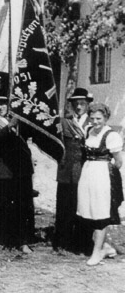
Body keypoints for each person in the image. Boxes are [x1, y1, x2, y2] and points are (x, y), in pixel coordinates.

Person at [0, 91, 35, 254]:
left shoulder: (21, 120)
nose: (0, 107)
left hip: (20, 169)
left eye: (3, 104)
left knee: (22, 206)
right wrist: (9, 127)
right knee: (1, 206)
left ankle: (22, 241)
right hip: (2, 170)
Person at [76, 102, 123, 266]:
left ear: (106, 118)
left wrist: (106, 174)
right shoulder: (88, 131)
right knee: (88, 209)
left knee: (101, 213)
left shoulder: (111, 135)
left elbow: (118, 162)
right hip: (87, 173)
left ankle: (97, 252)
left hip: (102, 175)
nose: (95, 122)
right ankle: (104, 247)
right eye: (93, 118)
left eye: (99, 118)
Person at [54, 88, 93, 254]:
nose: (78, 106)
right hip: (67, 171)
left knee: (84, 207)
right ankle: (62, 242)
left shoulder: (93, 123)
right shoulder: (64, 122)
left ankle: (82, 243)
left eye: (82, 103)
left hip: (86, 171)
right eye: (75, 103)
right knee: (65, 207)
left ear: (87, 104)